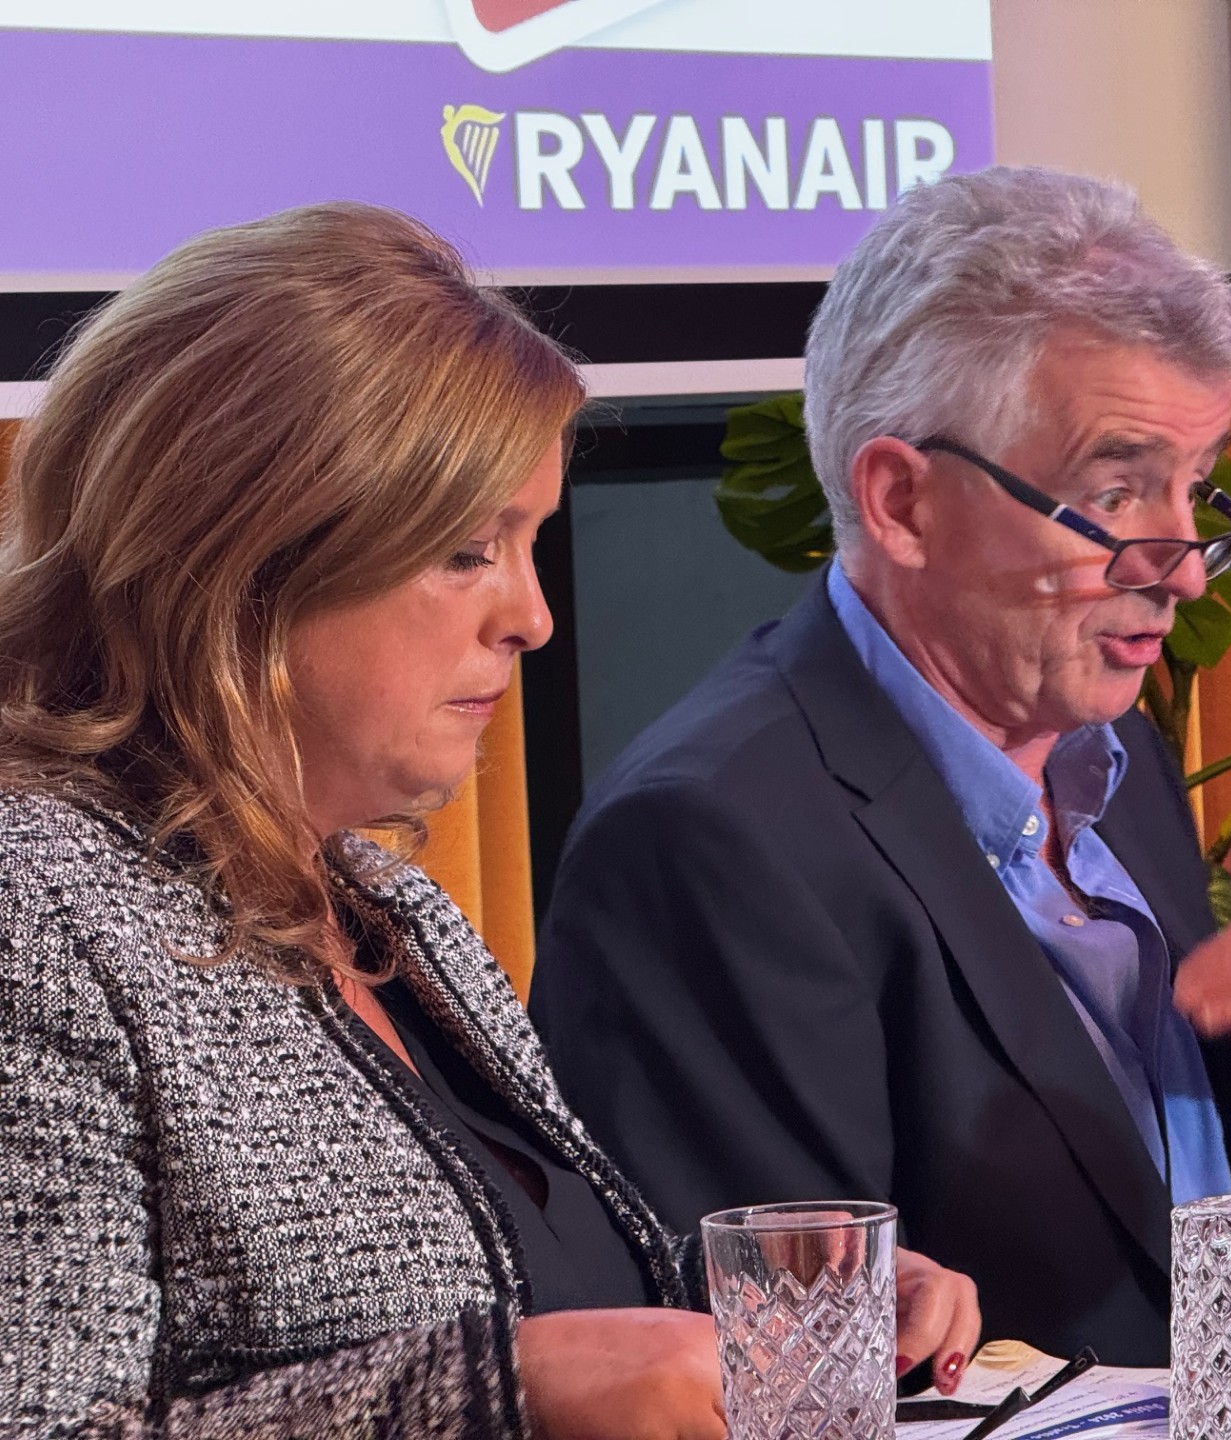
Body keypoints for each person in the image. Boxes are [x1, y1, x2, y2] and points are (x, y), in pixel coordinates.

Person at [0, 202, 978, 1438]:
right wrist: (502, 1396)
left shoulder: (386, 902)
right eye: (468, 552)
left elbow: (518, 1285)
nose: (531, 617)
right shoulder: (33, 907)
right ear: (240, 561)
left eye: (529, 547)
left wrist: (784, 1313)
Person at [530, 166, 1231, 1367]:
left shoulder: (1111, 747)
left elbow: (1206, 1222)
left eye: (1194, 492)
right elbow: (782, 1370)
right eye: (1114, 493)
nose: (1186, 571)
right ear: (902, 502)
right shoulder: (712, 841)